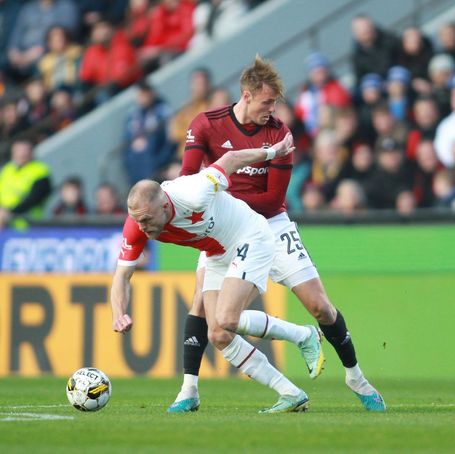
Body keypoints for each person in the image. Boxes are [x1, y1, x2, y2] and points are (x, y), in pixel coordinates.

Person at [173, 55, 386, 412]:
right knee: (207, 312)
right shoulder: (206, 125)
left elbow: (272, 200)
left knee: (320, 305)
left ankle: (356, 378)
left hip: (269, 225)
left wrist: (217, 193)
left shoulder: (279, 134)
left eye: (275, 103)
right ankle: (188, 390)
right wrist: (212, 199)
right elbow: (186, 177)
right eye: (266, 102)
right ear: (246, 95)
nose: (271, 110)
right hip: (224, 228)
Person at [111, 133, 325, 414]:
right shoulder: (137, 224)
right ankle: (291, 393)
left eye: (147, 219)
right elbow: (121, 277)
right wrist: (118, 312)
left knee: (225, 318)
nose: (142, 227)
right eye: (137, 220)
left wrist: (272, 152)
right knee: (218, 334)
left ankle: (303, 335)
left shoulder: (193, 191)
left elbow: (231, 158)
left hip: (250, 235)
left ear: (164, 206)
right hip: (216, 251)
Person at [0, 139, 52, 230]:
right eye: (18, 151)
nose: (21, 154)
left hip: (29, 226)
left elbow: (34, 198)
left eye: (25, 151)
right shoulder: (7, 170)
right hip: (5, 227)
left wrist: (9, 212)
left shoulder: (40, 171)